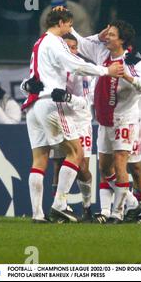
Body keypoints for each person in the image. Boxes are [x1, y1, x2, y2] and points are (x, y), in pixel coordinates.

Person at [21, 9, 121, 223]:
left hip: (33, 105)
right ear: (60, 23)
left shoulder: (39, 43)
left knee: (39, 159)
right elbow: (75, 64)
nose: (70, 30)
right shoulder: (56, 43)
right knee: (76, 152)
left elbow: (32, 78)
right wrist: (105, 71)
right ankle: (59, 204)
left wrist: (26, 86)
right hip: (50, 102)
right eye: (68, 25)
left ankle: (37, 215)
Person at [69, 20, 141, 224]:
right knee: (105, 169)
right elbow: (78, 43)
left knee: (121, 164)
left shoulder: (131, 61)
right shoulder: (102, 53)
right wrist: (69, 24)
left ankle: (117, 212)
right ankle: (134, 204)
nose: (108, 37)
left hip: (125, 120)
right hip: (105, 120)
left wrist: (126, 75)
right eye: (108, 34)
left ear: (122, 40)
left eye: (112, 35)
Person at [49, 33, 96, 223]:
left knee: (82, 167)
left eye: (75, 47)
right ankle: (59, 208)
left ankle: (87, 207)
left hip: (80, 121)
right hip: (59, 117)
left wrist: (68, 98)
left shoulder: (81, 70)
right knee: (59, 164)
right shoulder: (53, 69)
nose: (72, 51)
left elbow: (85, 102)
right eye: (68, 47)